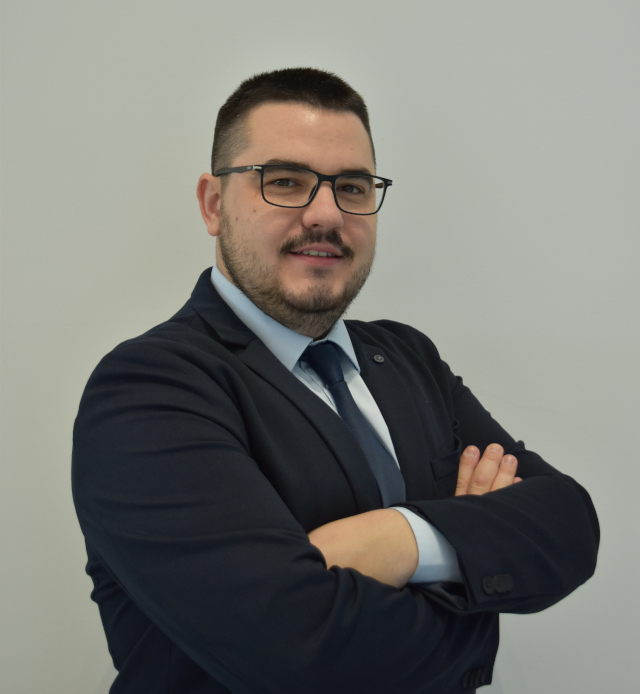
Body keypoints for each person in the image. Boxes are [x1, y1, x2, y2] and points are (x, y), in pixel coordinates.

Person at [72, 68, 599, 694]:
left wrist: (399, 539)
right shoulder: (148, 390)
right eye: (285, 181)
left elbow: (569, 526)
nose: (326, 213)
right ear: (214, 205)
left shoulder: (409, 358)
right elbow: (293, 649)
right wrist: (475, 598)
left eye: (351, 187)